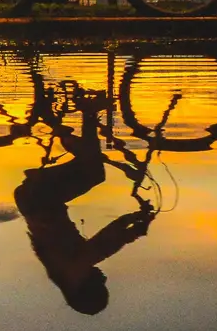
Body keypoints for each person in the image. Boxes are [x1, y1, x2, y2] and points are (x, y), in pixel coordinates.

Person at [12, 88, 151, 314]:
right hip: (39, 199)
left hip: (40, 198)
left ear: (87, 289)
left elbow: (101, 246)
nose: (104, 278)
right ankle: (57, 123)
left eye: (102, 285)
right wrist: (131, 220)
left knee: (94, 171)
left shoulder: (70, 273)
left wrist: (132, 231)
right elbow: (101, 246)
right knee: (90, 167)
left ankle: (88, 112)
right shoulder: (64, 273)